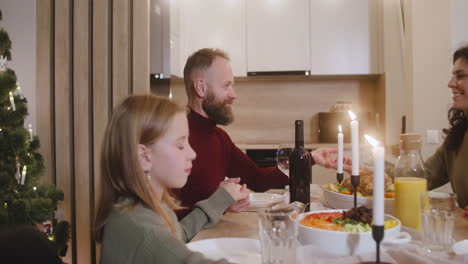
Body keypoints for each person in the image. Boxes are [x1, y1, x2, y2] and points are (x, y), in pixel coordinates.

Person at [175, 48, 344, 217]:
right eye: (226, 85)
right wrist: (219, 205)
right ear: (201, 88)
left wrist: (310, 158)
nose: (234, 95)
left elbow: (258, 179)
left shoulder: (219, 138)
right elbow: (165, 215)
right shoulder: (175, 138)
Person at [95, 95, 248, 263]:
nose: (192, 154)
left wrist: (221, 199)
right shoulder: (143, 229)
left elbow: (178, 234)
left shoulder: (150, 207)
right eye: (180, 145)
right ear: (144, 157)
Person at [424, 45, 468, 220]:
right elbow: (423, 176)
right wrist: (368, 171)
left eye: (461, 76)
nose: (450, 83)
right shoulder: (458, 136)